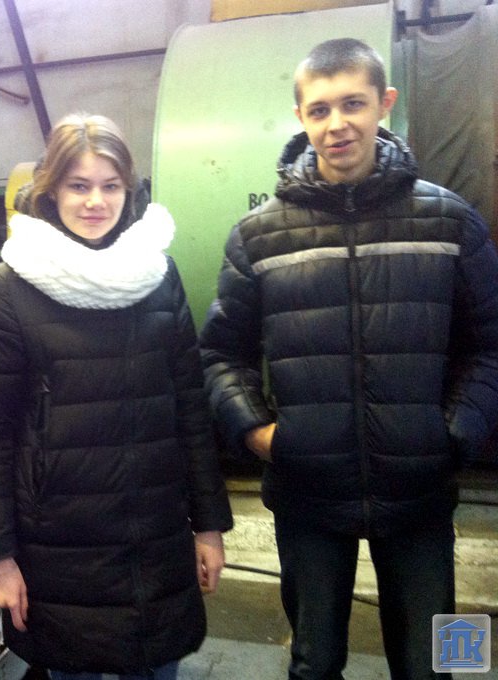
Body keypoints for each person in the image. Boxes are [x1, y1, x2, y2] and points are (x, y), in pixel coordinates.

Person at [200, 38, 498, 680]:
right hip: (308, 492)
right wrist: (258, 432)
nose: (337, 124)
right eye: (320, 109)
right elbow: (221, 352)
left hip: (423, 490)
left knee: (444, 661)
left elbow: (491, 344)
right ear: (301, 117)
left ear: (385, 103)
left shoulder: (451, 220)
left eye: (353, 104)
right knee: (313, 663)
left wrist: (454, 434)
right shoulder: (259, 236)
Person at [0, 112, 233, 679]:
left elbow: (191, 407)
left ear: (128, 190)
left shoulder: (157, 276)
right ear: (51, 190)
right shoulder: (10, 288)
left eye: (110, 186)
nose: (95, 202)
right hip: (60, 548)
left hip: (155, 537)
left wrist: (209, 526)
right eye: (78, 185)